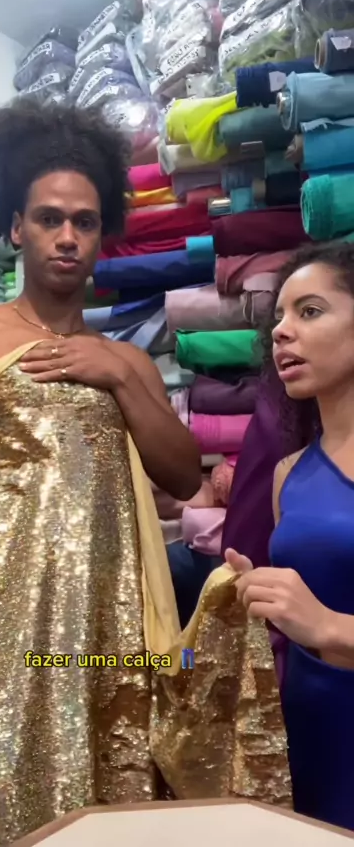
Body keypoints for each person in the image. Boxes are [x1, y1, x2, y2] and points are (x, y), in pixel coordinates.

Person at [0, 100, 201, 845]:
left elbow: (183, 476)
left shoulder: (126, 359)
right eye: (50, 219)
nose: (67, 237)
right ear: (17, 226)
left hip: (104, 617)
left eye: (84, 222)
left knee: (101, 771)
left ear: (101, 235)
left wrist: (114, 377)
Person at [225, 242, 354, 832]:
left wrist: (326, 625)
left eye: (310, 311)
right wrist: (256, 593)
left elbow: (317, 617)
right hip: (308, 733)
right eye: (278, 316)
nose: (280, 331)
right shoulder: (287, 475)